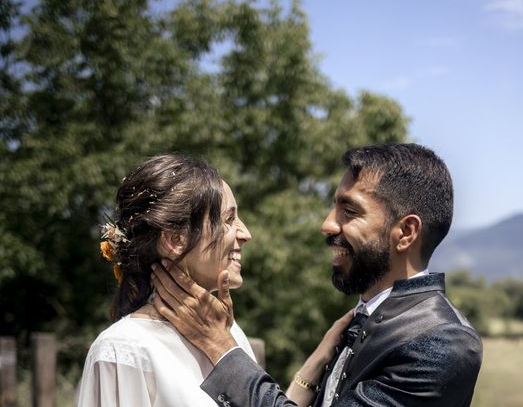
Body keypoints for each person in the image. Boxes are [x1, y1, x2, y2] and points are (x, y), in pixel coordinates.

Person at [152, 143, 483, 406]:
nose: (327, 224)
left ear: (406, 232)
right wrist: (311, 369)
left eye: (349, 211)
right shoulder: (360, 319)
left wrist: (219, 345)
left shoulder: (440, 340)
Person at [77, 154, 259, 406]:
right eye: (229, 219)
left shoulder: (229, 333)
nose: (246, 234)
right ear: (174, 239)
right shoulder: (122, 351)